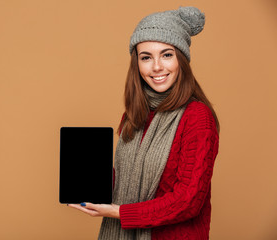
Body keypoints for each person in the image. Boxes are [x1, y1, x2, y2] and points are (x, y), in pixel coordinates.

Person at [69, 6, 219, 240]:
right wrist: (87, 176)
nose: (157, 66)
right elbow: (126, 179)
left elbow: (188, 200)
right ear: (137, 64)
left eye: (167, 54)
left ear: (182, 59)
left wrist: (119, 212)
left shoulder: (197, 117)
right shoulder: (135, 113)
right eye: (146, 57)